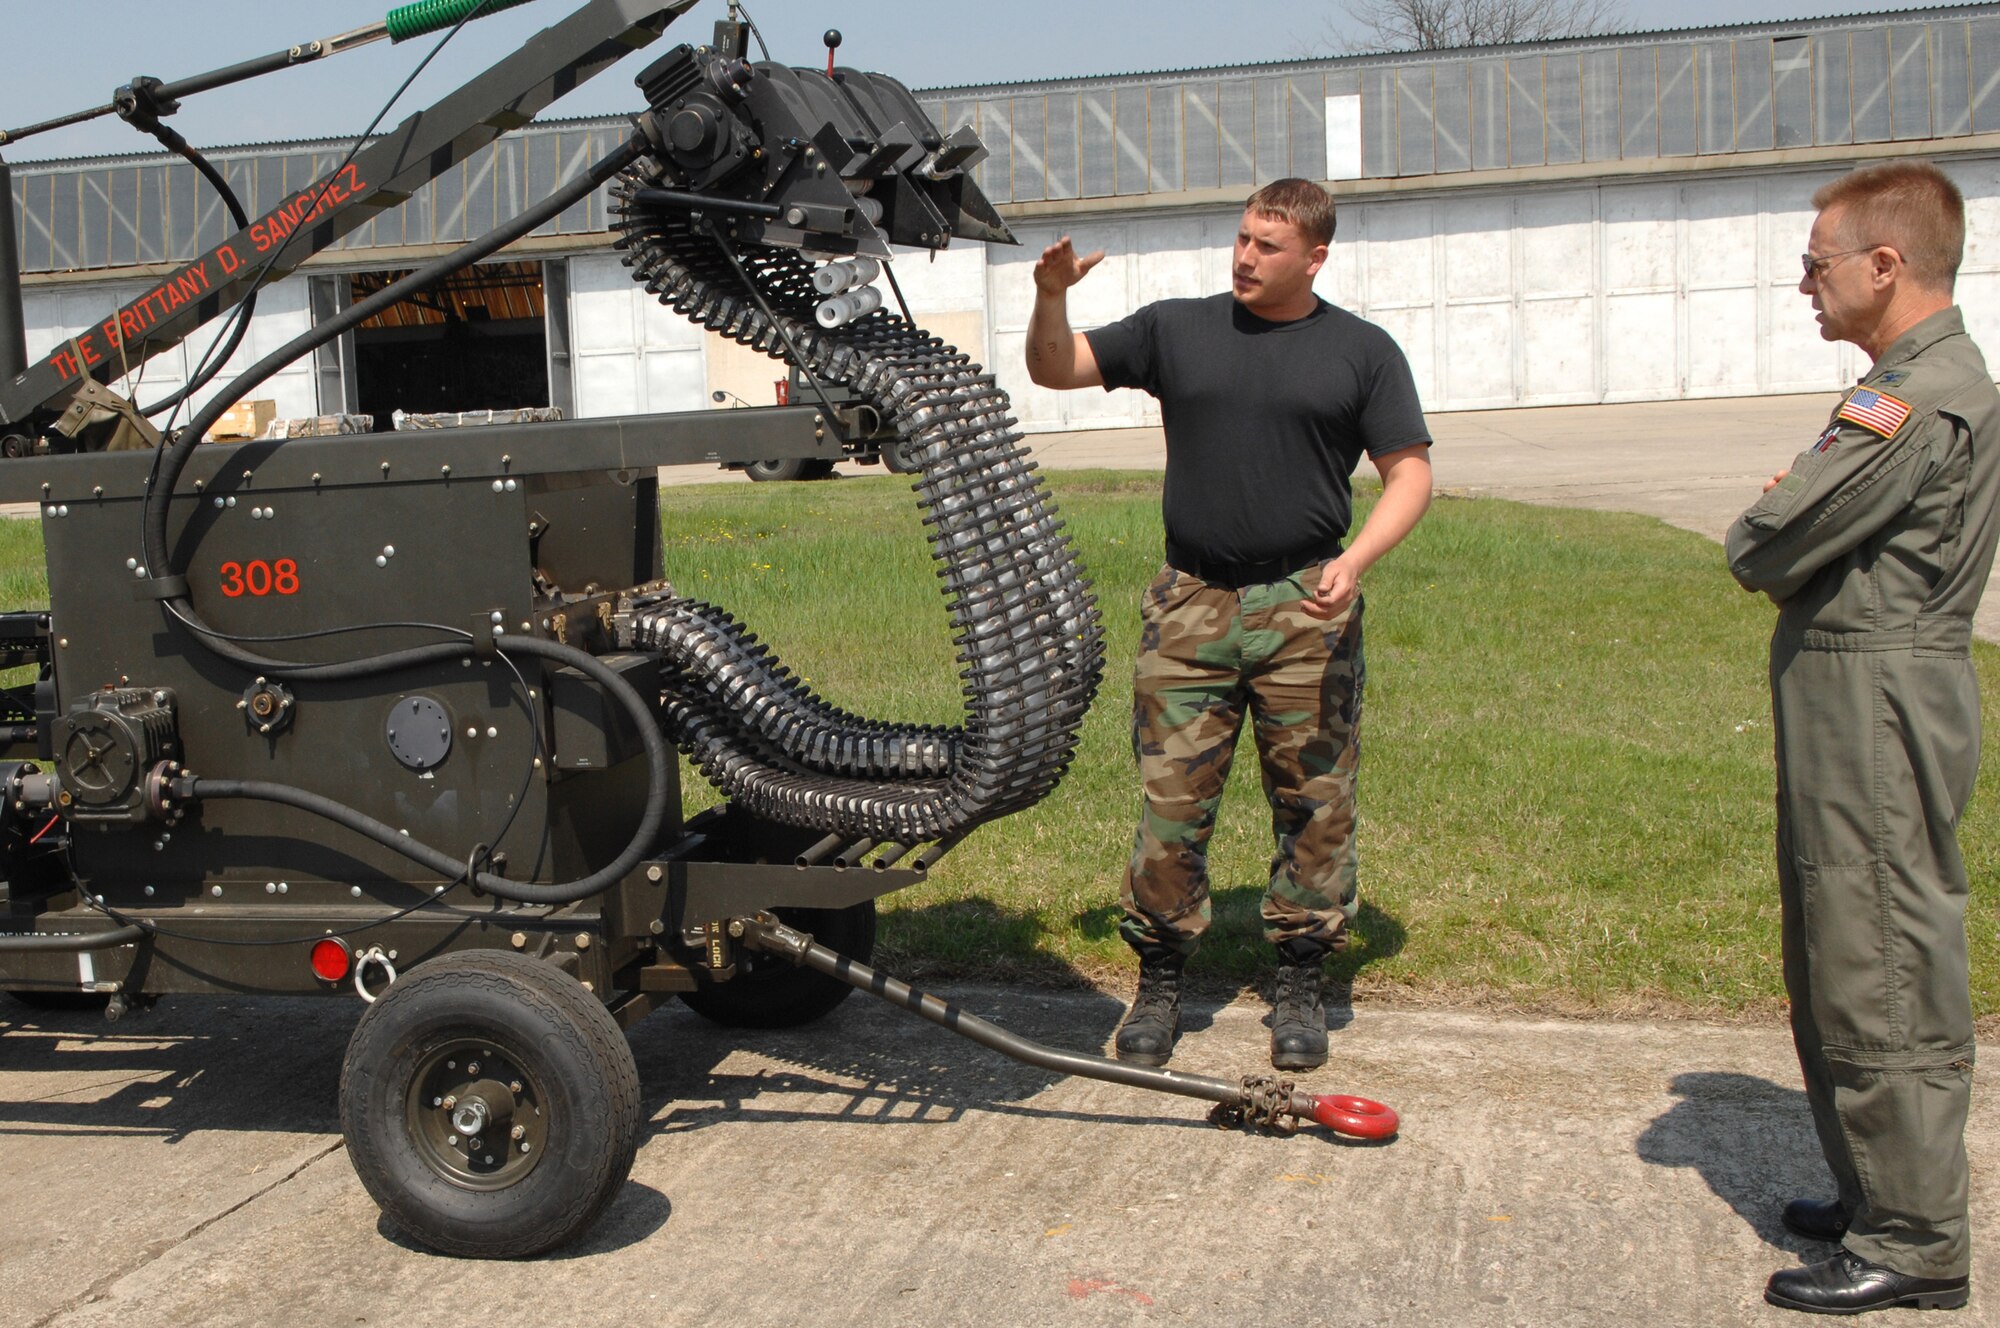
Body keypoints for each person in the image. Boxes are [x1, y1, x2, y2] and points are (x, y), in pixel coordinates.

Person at [1025, 178, 1433, 1071]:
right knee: (1172, 807)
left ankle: (1300, 977)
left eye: (1268, 246)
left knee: (1315, 803)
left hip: (1304, 607)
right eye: (1242, 239)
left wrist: (1354, 563)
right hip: (1191, 606)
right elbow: (1054, 368)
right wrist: (1050, 295)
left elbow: (1409, 472)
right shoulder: (1178, 329)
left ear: (1315, 256)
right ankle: (1162, 979)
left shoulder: (1362, 352)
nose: (1246, 257)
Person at [1726, 160, 1995, 1316]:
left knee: (1877, 955)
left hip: (1877, 697)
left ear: (1883, 265)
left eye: (1814, 263)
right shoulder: (1912, 382)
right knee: (1839, 948)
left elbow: (1766, 539)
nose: (1804, 286)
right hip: (1860, 689)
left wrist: (1781, 502)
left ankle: (1916, 1235)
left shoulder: (1914, 396)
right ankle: (1876, 1192)